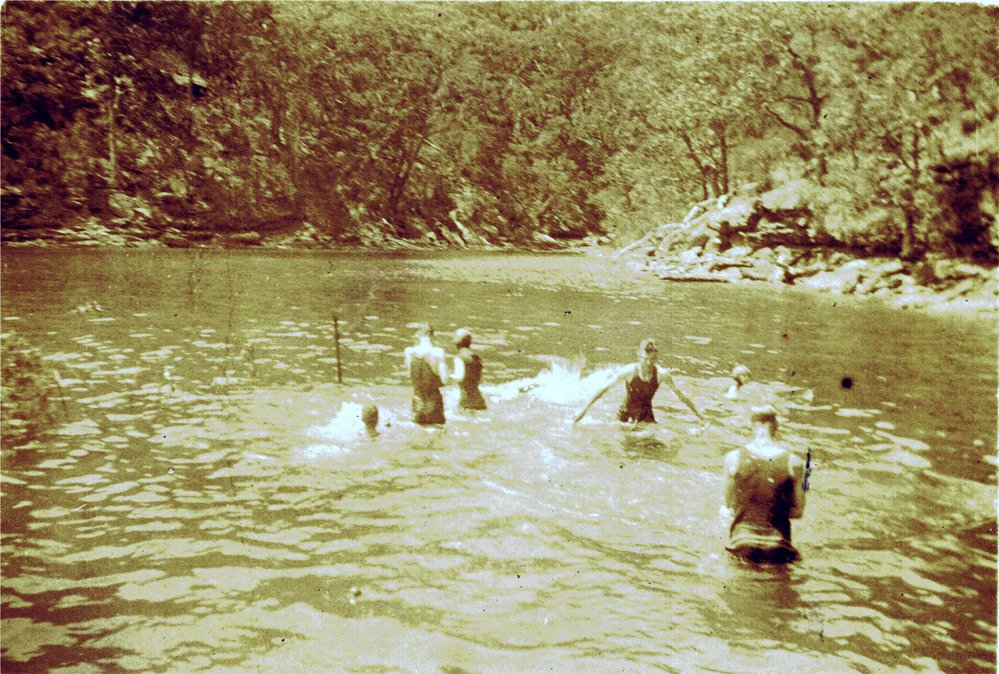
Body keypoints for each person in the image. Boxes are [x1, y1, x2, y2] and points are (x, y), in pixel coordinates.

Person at [722, 405, 807, 564]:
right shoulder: (793, 462)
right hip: (778, 543)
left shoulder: (732, 458)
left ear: (752, 426)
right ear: (776, 427)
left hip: (742, 541)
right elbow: (798, 512)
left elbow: (730, 505)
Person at [574, 338, 704, 424]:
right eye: (645, 359)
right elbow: (603, 390)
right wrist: (583, 411)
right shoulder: (629, 371)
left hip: (647, 416)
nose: (649, 363)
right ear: (639, 356)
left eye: (653, 359)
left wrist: (700, 416)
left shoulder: (662, 375)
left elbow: (682, 396)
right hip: (625, 416)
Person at [404, 324, 449, 425]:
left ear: (418, 335)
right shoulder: (438, 353)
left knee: (418, 433)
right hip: (433, 402)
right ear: (432, 336)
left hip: (417, 400)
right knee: (437, 434)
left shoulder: (409, 352)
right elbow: (445, 380)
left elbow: (410, 374)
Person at [452, 328, 487, 411]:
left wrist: (446, 376)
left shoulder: (459, 358)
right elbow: (480, 379)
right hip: (479, 400)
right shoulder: (476, 357)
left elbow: (459, 377)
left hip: (466, 400)